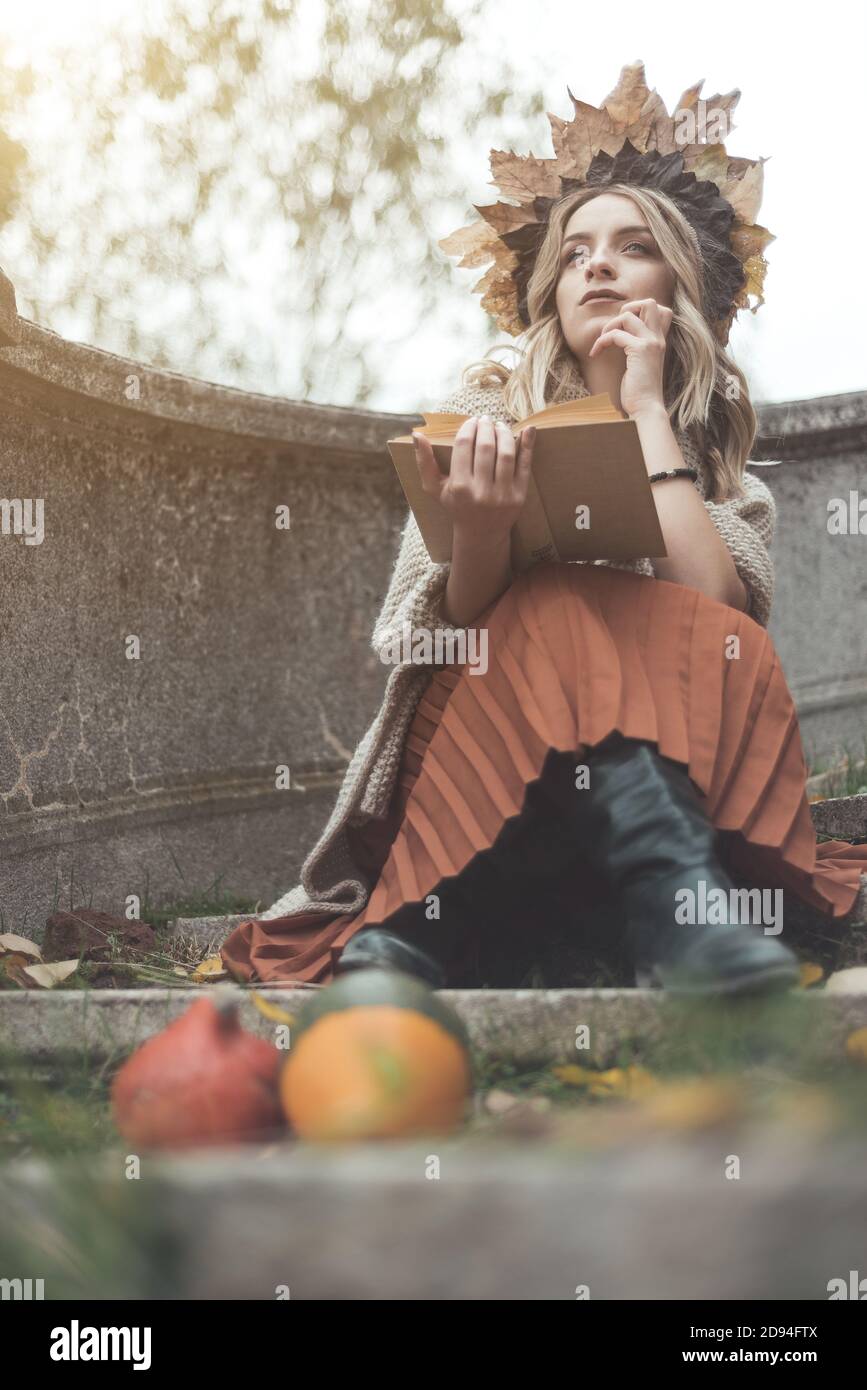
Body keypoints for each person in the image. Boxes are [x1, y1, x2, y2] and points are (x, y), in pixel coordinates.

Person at [221, 64, 867, 996]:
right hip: (489, 790)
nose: (595, 264)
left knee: (674, 621)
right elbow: (423, 636)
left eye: (630, 247)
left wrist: (645, 413)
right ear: (548, 294)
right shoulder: (481, 411)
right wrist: (478, 531)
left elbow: (717, 608)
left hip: (666, 782)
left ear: (676, 286)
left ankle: (435, 935)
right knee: (557, 600)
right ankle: (653, 913)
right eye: (574, 253)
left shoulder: (722, 479)